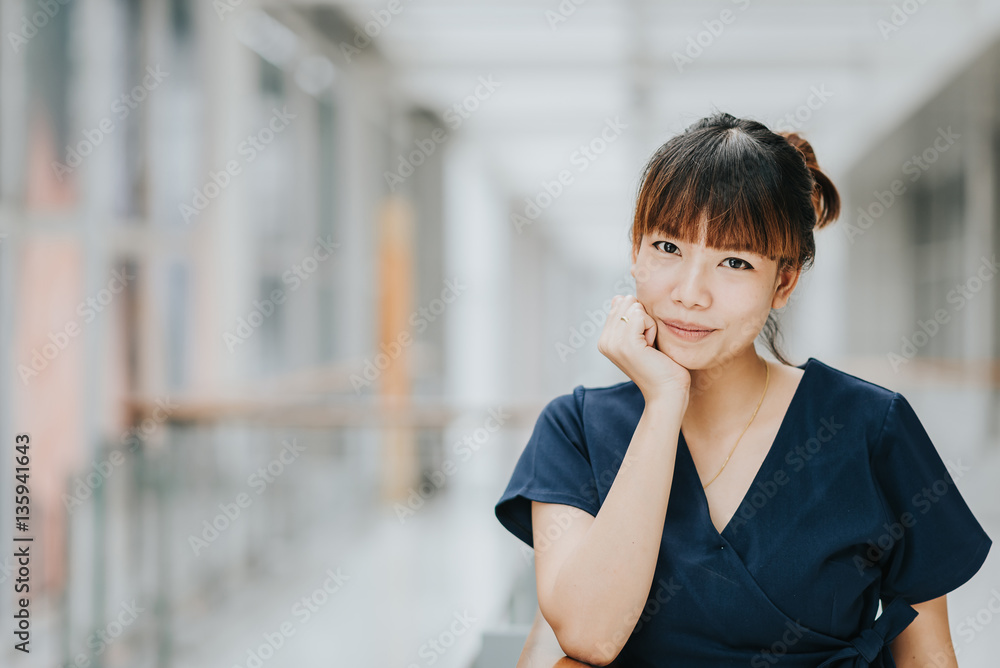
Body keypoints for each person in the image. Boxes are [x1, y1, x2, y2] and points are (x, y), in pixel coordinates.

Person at [494, 111, 992, 667]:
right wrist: (663, 403)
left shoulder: (869, 427)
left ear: (783, 282)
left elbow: (929, 656)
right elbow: (591, 635)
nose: (690, 293)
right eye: (667, 248)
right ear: (635, 251)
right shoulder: (576, 431)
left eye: (733, 261)